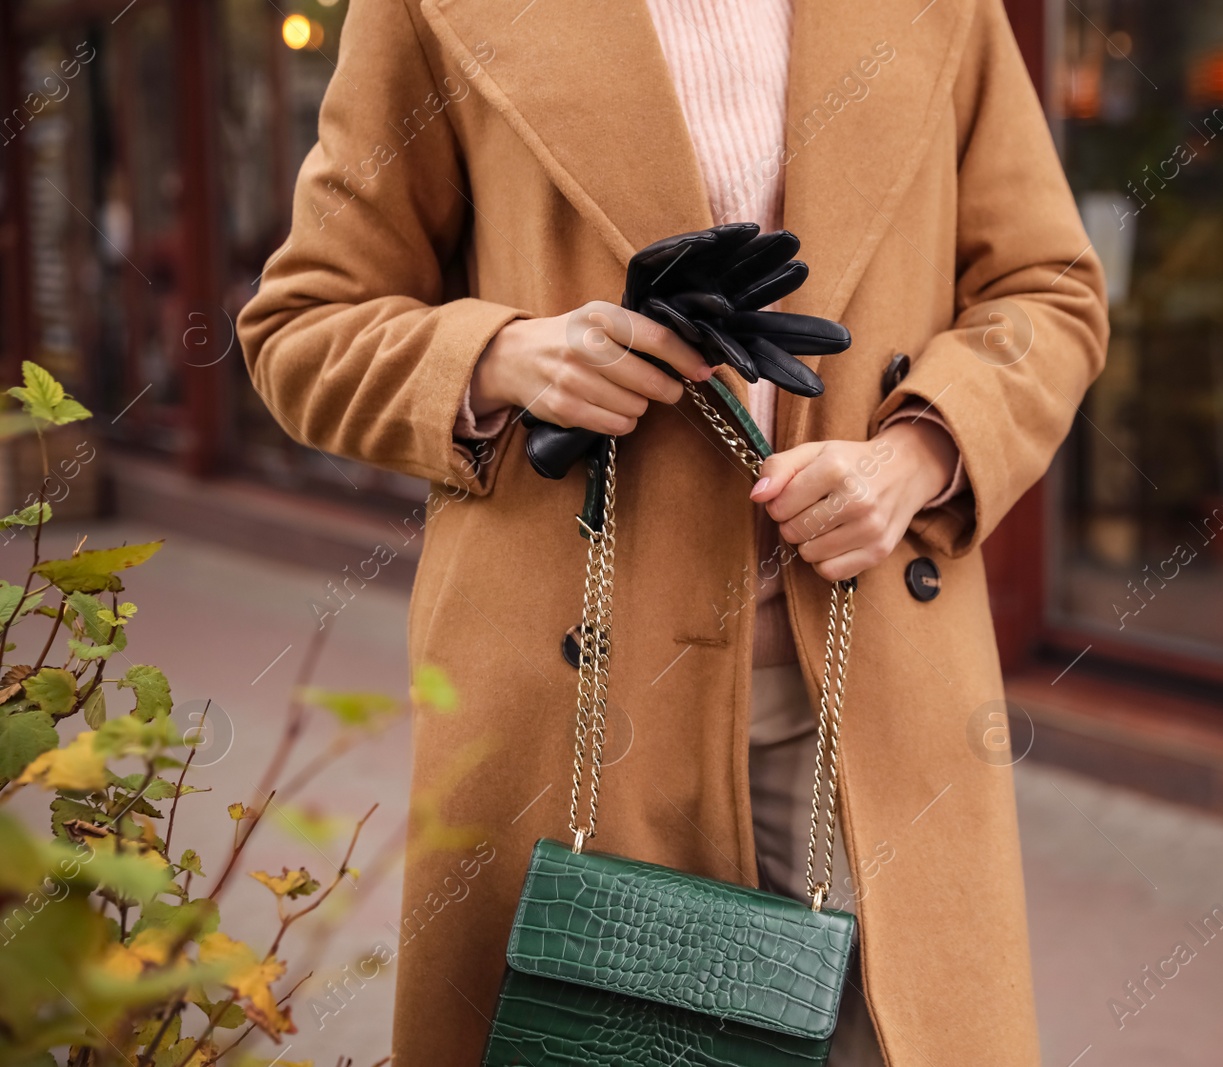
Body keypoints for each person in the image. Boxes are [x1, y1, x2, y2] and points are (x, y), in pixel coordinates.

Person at [238, 0, 1107, 1063]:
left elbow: (1046, 289)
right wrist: (506, 356)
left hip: (865, 669)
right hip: (574, 702)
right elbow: (302, 327)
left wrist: (916, 454)